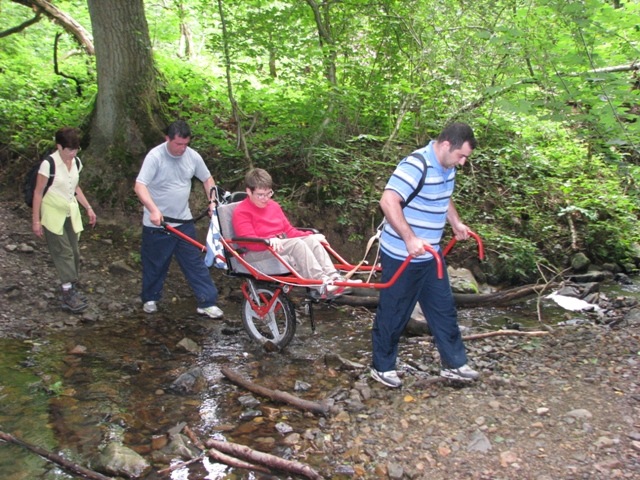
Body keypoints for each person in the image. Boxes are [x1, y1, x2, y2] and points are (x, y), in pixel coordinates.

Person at [370, 122, 480, 388]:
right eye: (461, 156)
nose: (463, 162)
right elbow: (388, 201)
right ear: (445, 145)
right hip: (401, 254)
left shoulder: (447, 166)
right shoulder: (415, 165)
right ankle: (382, 367)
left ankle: (454, 364)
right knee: (395, 311)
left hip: (431, 254)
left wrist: (455, 222)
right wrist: (409, 238)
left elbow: (445, 197)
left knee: (443, 309)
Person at [134, 120, 223, 318]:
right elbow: (140, 186)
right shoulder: (155, 156)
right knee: (155, 264)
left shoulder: (192, 156)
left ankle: (207, 302)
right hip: (157, 224)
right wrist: (153, 210)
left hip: (183, 223)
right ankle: (150, 298)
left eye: (185, 144)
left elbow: (207, 179)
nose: (182, 149)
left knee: (194, 262)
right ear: (168, 139)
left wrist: (212, 201)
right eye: (178, 144)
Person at [232, 168, 354, 298]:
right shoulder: (241, 212)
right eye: (260, 195)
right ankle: (321, 282)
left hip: (277, 246)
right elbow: (248, 242)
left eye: (269, 193)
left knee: (311, 240)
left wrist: (310, 235)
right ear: (248, 191)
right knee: (297, 244)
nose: (265, 198)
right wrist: (268, 240)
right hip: (254, 252)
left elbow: (289, 231)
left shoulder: (273, 206)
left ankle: (334, 279)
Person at [32, 127, 97, 312]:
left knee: (75, 252)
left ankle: (70, 286)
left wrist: (89, 208)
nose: (73, 153)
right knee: (64, 252)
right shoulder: (49, 164)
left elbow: (76, 188)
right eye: (70, 150)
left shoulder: (76, 162)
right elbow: (38, 193)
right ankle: (67, 293)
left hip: (70, 212)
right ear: (59, 146)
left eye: (76, 149)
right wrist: (36, 220)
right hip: (52, 213)